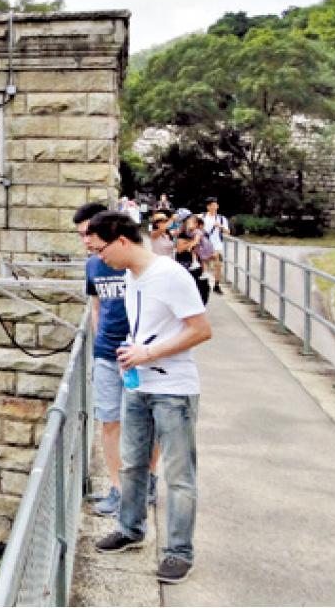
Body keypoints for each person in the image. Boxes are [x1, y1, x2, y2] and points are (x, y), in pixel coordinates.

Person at [87, 211, 212, 585]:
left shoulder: (171, 275)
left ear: (122, 241)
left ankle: (178, 552)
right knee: (133, 463)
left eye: (100, 249)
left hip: (173, 391)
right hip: (138, 385)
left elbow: (201, 330)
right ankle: (130, 528)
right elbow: (152, 330)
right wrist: (134, 351)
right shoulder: (130, 276)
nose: (97, 258)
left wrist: (148, 354)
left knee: (177, 475)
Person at [73, 202, 158, 519]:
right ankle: (117, 487)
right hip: (107, 354)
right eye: (82, 236)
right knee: (109, 421)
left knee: (147, 422)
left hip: (140, 354)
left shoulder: (135, 262)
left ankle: (146, 480)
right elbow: (96, 307)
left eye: (90, 235)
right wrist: (98, 345)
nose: (87, 242)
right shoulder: (93, 266)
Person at [201, 198, 230, 294]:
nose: (214, 207)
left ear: (217, 206)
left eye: (215, 205)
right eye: (211, 205)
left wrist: (220, 226)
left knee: (218, 265)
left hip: (217, 245)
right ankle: (205, 283)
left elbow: (228, 232)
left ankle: (216, 285)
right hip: (205, 244)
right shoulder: (203, 217)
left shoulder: (222, 218)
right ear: (208, 206)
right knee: (205, 264)